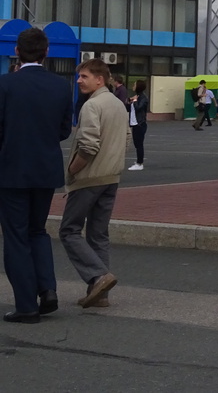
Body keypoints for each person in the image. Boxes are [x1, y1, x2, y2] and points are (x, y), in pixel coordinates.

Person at [0, 28, 74, 323]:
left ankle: (26, 305)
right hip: (46, 169)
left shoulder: (5, 85)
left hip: (11, 171)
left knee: (16, 236)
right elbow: (64, 130)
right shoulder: (60, 86)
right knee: (38, 231)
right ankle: (48, 289)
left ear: (17, 52)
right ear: (46, 53)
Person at [60, 58, 127, 309]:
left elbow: (88, 145)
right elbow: (126, 139)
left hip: (89, 178)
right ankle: (100, 294)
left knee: (69, 230)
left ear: (100, 79)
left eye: (84, 76)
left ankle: (99, 276)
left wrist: (72, 171)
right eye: (79, 76)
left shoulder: (92, 106)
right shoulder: (119, 104)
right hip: (111, 178)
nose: (79, 81)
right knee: (98, 234)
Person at [127, 80, 149, 170]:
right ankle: (138, 162)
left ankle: (140, 163)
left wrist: (135, 100)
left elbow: (138, 108)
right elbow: (130, 108)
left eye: (135, 84)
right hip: (135, 123)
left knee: (139, 144)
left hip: (140, 124)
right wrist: (130, 101)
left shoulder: (143, 97)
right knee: (137, 144)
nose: (133, 86)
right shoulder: (138, 96)